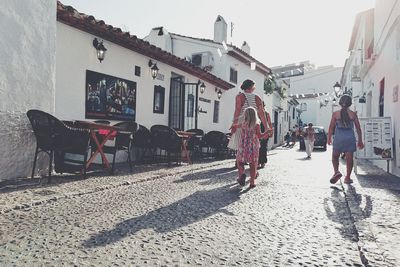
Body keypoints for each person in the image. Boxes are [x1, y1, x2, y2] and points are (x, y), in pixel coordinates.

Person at [230, 79, 269, 167]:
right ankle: (253, 164)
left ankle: (239, 162)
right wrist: (266, 127)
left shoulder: (239, 96)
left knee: (240, 142)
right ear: (251, 87)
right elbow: (262, 114)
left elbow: (237, 110)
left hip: (242, 122)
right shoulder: (257, 98)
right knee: (252, 143)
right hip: (254, 123)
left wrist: (234, 124)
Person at [328, 95, 364, 184]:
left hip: (339, 137)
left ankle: (336, 172)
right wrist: (360, 140)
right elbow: (358, 128)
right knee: (349, 159)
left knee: (335, 156)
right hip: (349, 137)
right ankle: (347, 178)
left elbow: (331, 127)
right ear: (350, 104)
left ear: (340, 103)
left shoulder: (336, 114)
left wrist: (328, 138)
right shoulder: (353, 114)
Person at [235, 107, 268, 188]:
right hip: (253, 146)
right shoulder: (256, 125)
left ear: (246, 115)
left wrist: (233, 125)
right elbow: (259, 136)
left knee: (240, 162)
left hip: (243, 146)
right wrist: (267, 132)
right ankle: (252, 182)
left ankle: (242, 174)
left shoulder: (243, 123)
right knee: (253, 164)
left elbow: (236, 126)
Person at [258, 103, 273, 169]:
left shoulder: (266, 114)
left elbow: (269, 123)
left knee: (263, 147)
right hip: (257, 132)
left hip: (265, 131)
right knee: (257, 148)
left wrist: (271, 132)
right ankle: (257, 162)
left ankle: (262, 162)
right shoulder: (256, 113)